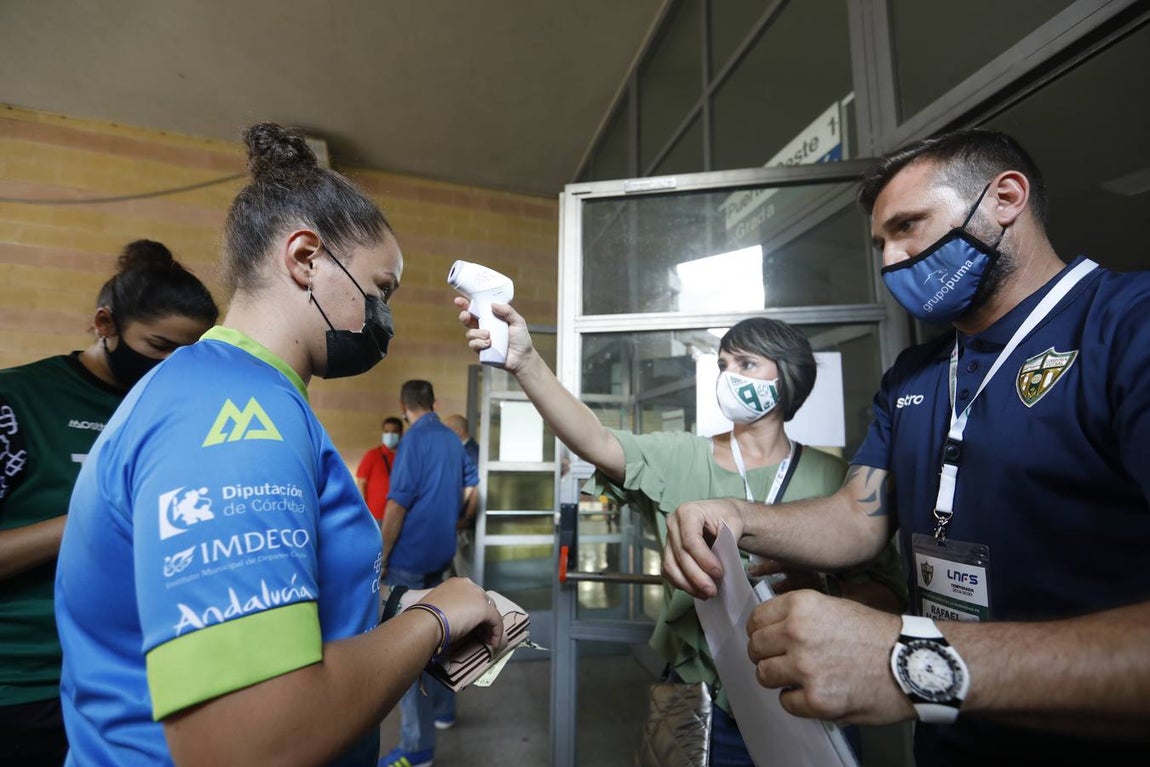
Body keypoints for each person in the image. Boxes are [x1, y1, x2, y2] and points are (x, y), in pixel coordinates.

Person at [660, 129, 1150, 766]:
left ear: (1005, 198)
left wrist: (912, 660)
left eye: (909, 226)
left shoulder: (1127, 326)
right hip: (952, 741)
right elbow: (857, 518)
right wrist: (741, 518)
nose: (892, 260)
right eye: (881, 244)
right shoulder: (917, 374)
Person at [53, 123, 504, 767]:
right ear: (305, 259)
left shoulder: (239, 394)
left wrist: (394, 611)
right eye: (380, 292)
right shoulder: (236, 416)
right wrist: (434, 620)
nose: (385, 321)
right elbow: (245, 740)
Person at [454, 301, 906, 765]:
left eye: (747, 364)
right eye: (724, 364)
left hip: (815, 701)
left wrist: (826, 593)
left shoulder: (839, 481)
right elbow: (597, 440)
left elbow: (889, 600)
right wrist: (526, 362)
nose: (729, 376)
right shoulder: (681, 457)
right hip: (709, 703)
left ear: (787, 377)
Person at [0, 239, 218, 766]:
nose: (171, 366)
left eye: (190, 354)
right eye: (159, 346)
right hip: (28, 684)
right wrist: (98, 518)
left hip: (137, 679)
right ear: (106, 324)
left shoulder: (178, 411)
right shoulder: (18, 401)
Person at [380, 381, 479, 767]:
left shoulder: (414, 440)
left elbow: (397, 505)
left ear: (404, 406)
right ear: (433, 402)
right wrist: (459, 519)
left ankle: (417, 748)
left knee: (408, 650)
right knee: (443, 634)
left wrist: (382, 556)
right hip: (442, 553)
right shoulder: (453, 440)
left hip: (410, 558)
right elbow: (472, 485)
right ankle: (445, 711)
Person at [356, 416, 404, 523]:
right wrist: (362, 511)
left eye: (394, 432)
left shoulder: (406, 457)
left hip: (399, 515)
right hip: (375, 515)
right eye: (386, 432)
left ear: (401, 434)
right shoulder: (372, 455)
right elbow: (361, 484)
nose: (390, 435)